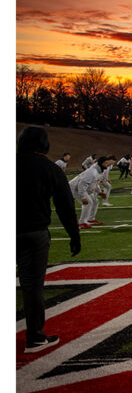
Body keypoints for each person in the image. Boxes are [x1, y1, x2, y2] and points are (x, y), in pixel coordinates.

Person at [17, 125, 81, 353]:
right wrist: (74, 235)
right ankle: (34, 337)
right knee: (32, 285)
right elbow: (65, 205)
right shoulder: (49, 168)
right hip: (34, 232)